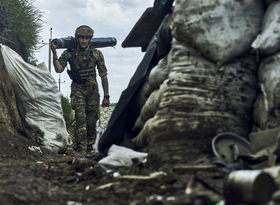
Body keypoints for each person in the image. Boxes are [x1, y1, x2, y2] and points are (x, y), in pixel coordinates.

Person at [50, 25, 110, 154]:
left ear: (90, 39)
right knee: (80, 120)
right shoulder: (69, 52)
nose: (84, 41)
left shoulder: (96, 54)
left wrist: (106, 96)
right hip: (77, 89)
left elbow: (103, 75)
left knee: (92, 122)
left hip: (93, 90)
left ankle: (89, 150)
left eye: (86, 38)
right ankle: (81, 150)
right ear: (77, 38)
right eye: (81, 38)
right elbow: (59, 69)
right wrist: (54, 53)